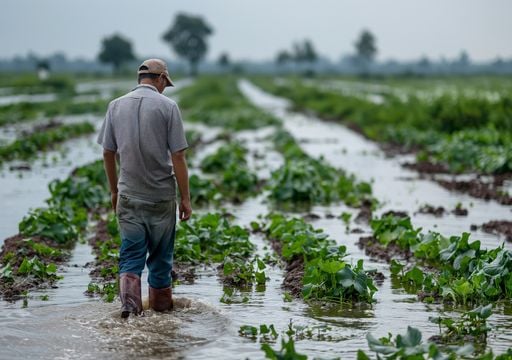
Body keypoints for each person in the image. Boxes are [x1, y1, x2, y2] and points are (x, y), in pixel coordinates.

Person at [97, 58, 192, 318]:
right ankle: (162, 318)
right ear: (161, 79)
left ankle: (129, 312)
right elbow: (179, 157)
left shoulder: (115, 106)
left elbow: (107, 152)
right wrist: (185, 198)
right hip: (161, 198)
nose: (165, 87)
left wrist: (115, 191)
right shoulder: (168, 107)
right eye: (165, 83)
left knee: (130, 256)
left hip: (128, 195)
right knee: (161, 259)